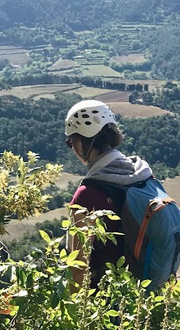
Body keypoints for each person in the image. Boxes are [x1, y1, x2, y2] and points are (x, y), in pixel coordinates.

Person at [65, 99, 154, 287]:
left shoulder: (86, 195)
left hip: (106, 302)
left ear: (80, 143)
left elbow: (78, 267)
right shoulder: (142, 175)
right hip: (147, 292)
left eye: (70, 142)